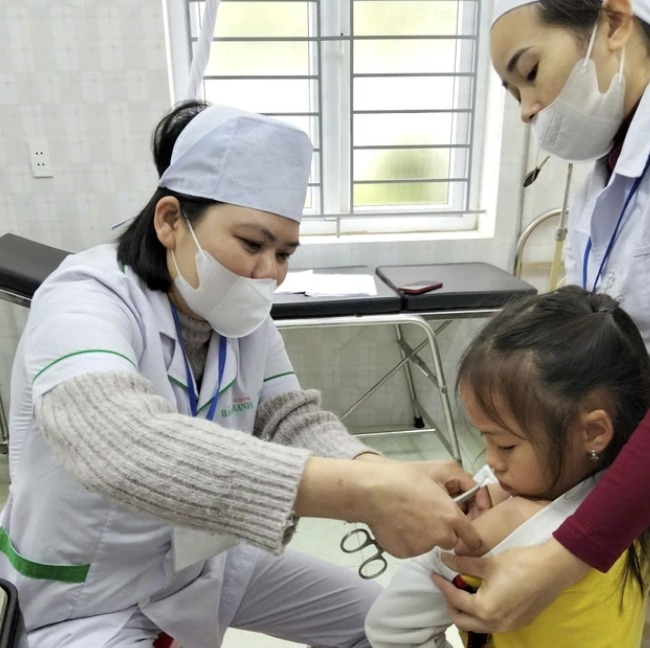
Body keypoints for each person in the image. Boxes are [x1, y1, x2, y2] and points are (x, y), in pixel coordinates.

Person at [2, 101, 481, 648]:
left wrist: (375, 469)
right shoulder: (83, 299)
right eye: (253, 244)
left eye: (284, 253)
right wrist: (362, 493)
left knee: (390, 629)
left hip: (202, 562)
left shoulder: (238, 314)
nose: (268, 272)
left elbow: (290, 420)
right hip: (88, 594)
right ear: (169, 220)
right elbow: (118, 442)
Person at [432, 0, 650, 638]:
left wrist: (566, 554)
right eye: (511, 93)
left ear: (614, 22)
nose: (527, 110)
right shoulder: (600, 177)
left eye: (529, 72)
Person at [365, 286, 650, 647]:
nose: (490, 461)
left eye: (506, 445)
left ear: (593, 432)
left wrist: (440, 551)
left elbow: (390, 629)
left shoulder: (504, 525)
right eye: (484, 439)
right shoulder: (633, 495)